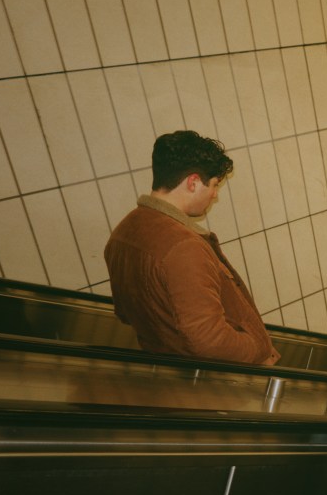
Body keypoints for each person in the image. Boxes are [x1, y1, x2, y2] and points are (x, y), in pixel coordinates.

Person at [104, 131, 279, 365]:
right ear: (193, 182)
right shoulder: (183, 247)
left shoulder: (124, 231)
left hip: (163, 363)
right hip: (208, 375)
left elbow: (125, 313)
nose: (215, 195)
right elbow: (209, 341)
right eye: (214, 185)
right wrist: (259, 349)